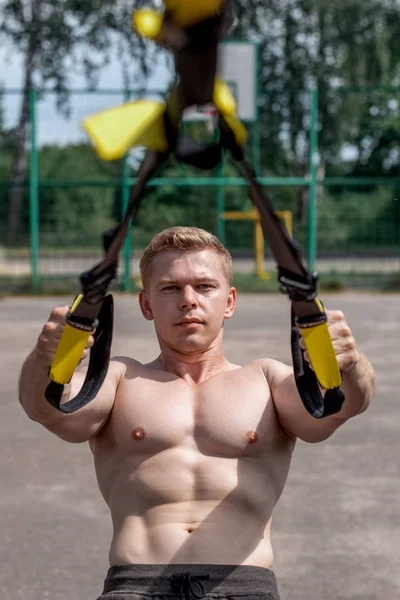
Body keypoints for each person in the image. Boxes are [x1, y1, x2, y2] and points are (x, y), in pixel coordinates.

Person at [19, 226, 375, 600]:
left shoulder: (266, 379)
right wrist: (45, 358)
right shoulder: (119, 377)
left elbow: (341, 407)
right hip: (135, 586)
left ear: (230, 301)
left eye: (205, 286)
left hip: (242, 587)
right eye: (170, 288)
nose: (188, 300)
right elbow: (48, 410)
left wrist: (350, 364)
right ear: (145, 304)